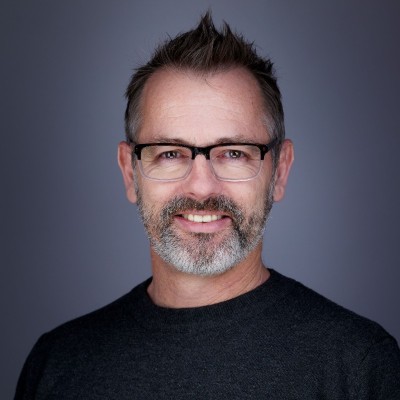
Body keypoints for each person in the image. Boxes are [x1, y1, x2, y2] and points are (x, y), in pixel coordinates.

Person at [15, 12, 400, 399]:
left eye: (233, 153)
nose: (201, 187)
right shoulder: (57, 366)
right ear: (130, 173)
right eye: (169, 153)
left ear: (280, 171)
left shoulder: (359, 366)